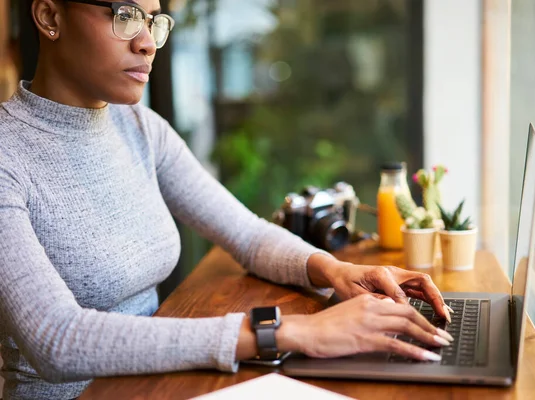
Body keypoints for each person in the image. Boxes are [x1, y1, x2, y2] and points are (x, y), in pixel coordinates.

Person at [0, 1, 453, 399]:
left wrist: (336, 271)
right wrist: (286, 331)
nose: (146, 43)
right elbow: (54, 339)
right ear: (49, 16)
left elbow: (245, 232)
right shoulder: (8, 155)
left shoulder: (138, 125)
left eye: (154, 21)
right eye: (124, 16)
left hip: (158, 381)